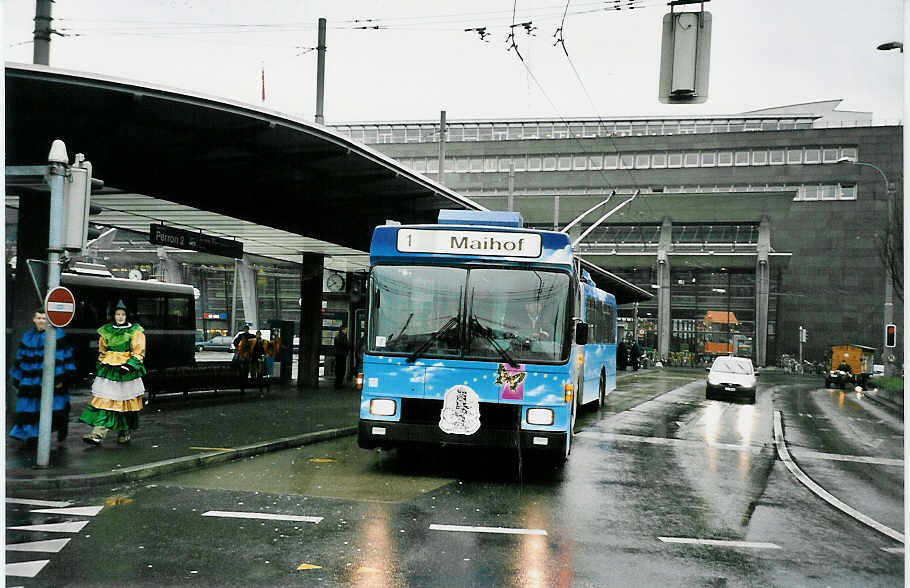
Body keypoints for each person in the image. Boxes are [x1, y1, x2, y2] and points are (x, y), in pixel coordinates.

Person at [79, 300, 146, 446]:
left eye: (122, 314)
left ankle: (124, 431)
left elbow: (139, 351)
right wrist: (99, 369)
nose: (120, 317)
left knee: (126, 405)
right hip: (109, 372)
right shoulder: (106, 330)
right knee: (107, 402)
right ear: (113, 315)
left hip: (127, 373)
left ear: (127, 316)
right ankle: (97, 434)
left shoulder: (135, 331)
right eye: (117, 314)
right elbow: (102, 352)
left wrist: (130, 366)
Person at [8, 308, 77, 446]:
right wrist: (17, 377)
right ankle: (32, 436)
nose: (41, 321)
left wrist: (60, 379)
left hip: (52, 378)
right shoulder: (27, 336)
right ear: (34, 319)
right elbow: (20, 357)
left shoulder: (57, 335)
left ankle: (59, 428)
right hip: (30, 379)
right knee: (29, 407)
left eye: (44, 318)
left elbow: (64, 356)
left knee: (55, 407)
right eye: (38, 318)